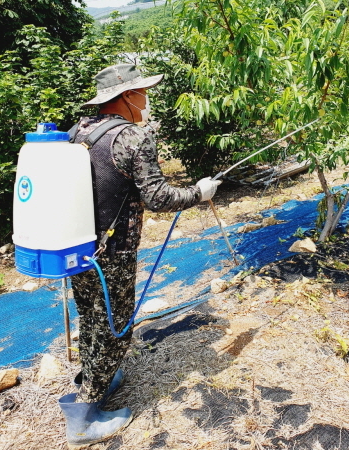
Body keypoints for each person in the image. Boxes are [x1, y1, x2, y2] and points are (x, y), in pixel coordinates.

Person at [58, 63, 220, 449]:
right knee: (116, 327)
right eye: (143, 92)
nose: (147, 99)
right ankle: (83, 420)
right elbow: (160, 196)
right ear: (128, 96)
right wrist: (200, 192)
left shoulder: (79, 130)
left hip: (77, 248)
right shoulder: (132, 137)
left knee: (92, 316)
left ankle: (97, 374)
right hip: (112, 252)